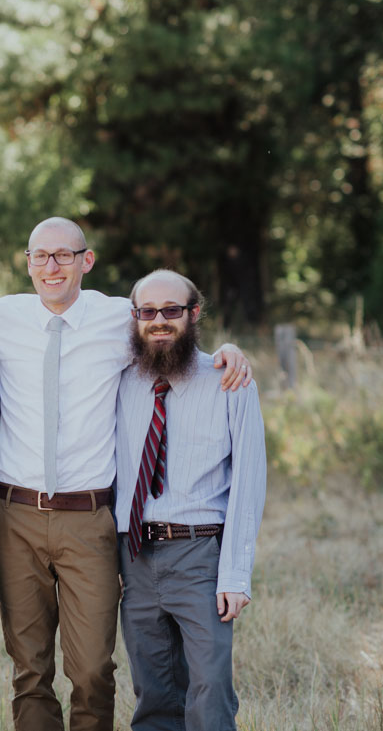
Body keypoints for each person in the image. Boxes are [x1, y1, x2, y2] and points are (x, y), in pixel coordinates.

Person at [0, 218, 253, 731]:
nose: (51, 266)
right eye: (40, 256)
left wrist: (226, 354)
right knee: (30, 668)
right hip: (15, 517)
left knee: (91, 670)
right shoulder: (0, 318)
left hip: (90, 518)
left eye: (64, 255)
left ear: (86, 261)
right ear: (28, 264)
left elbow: (170, 331)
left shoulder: (116, 318)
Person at [114, 269, 266, 731]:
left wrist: (236, 575)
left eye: (172, 311)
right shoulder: (118, 380)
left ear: (194, 314)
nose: (159, 321)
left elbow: (249, 481)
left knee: (209, 689)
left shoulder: (229, 380)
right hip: (134, 555)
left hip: (200, 552)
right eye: (148, 312)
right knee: (154, 692)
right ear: (135, 317)